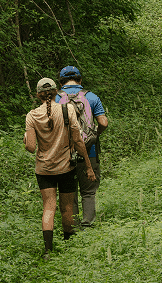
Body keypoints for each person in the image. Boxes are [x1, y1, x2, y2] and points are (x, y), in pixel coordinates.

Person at [24, 77, 96, 259]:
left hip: (44, 169)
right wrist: (88, 166)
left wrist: (26, 139)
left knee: (49, 207)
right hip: (66, 167)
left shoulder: (32, 116)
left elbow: (31, 147)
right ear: (56, 92)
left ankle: (48, 250)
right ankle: (68, 245)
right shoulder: (67, 109)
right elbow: (78, 141)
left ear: (38, 95)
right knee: (66, 208)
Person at [55, 66, 108, 228]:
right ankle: (88, 226)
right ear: (80, 80)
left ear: (61, 81)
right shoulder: (91, 97)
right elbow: (103, 123)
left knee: (69, 191)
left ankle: (73, 227)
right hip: (89, 151)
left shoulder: (55, 99)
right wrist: (94, 136)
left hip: (64, 153)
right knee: (89, 192)